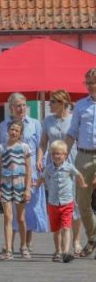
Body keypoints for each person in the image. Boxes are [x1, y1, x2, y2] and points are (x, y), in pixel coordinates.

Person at [0, 93, 48, 253]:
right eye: (17, 105)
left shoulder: (34, 124)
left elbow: (42, 145)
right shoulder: (3, 125)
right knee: (11, 209)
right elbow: (0, 149)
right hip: (10, 171)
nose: (21, 108)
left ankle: (26, 242)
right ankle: (10, 243)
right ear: (11, 107)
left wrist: (41, 164)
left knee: (29, 206)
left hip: (31, 169)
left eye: (23, 105)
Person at [36, 90, 83, 255]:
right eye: (49, 102)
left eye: (53, 102)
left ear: (63, 102)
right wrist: (39, 159)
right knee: (57, 201)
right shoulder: (47, 120)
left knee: (74, 202)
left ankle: (75, 240)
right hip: (53, 165)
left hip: (71, 162)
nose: (50, 105)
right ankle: (60, 245)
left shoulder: (74, 118)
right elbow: (43, 143)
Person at [36, 140, 87, 263]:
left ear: (65, 155)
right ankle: (58, 251)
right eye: (54, 154)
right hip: (53, 203)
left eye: (59, 154)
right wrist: (35, 186)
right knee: (56, 230)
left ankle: (66, 252)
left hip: (67, 203)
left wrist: (82, 183)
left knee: (66, 227)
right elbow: (42, 178)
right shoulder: (49, 168)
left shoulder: (69, 167)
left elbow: (78, 174)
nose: (56, 156)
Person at [66, 67, 96, 258]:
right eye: (87, 83)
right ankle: (92, 238)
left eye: (91, 82)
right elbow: (71, 133)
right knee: (82, 201)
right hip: (83, 155)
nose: (89, 86)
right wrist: (62, 157)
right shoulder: (80, 105)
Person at [0, 120, 32, 260]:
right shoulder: (1, 148)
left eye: (17, 130)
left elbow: (29, 169)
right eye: (12, 129)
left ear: (20, 133)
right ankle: (8, 249)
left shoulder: (25, 147)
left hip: (20, 183)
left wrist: (28, 188)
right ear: (8, 131)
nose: (13, 132)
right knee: (7, 216)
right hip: (5, 183)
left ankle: (23, 246)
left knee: (21, 218)